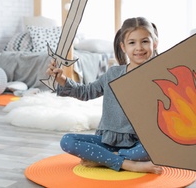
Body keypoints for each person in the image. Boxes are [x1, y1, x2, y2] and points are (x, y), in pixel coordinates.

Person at [46, 17, 162, 174]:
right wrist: (62, 79)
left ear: (154, 43)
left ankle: (105, 159)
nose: (139, 48)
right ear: (123, 46)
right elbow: (86, 92)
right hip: (107, 140)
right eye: (132, 43)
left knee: (157, 148)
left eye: (145, 42)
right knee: (68, 141)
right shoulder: (113, 74)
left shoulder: (160, 77)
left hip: (138, 144)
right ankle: (129, 164)